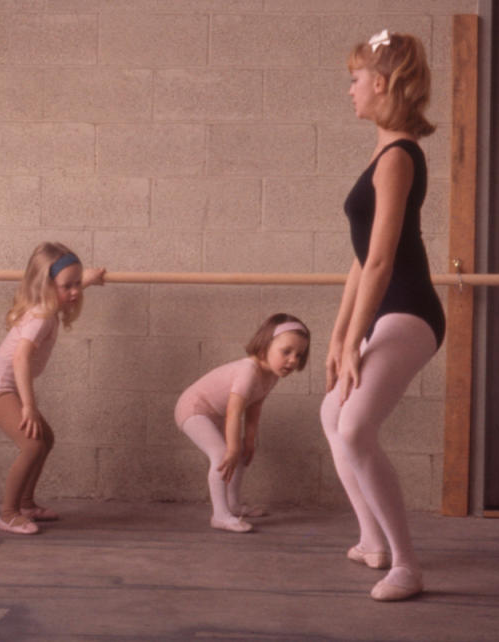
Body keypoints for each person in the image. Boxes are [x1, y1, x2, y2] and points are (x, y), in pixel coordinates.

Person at [320, 29, 445, 601]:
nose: (348, 90)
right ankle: (371, 540)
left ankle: (406, 564)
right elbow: (358, 258)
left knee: (355, 424)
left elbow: (381, 261)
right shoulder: (380, 149)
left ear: (380, 82)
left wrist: (353, 344)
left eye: (353, 79)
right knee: (331, 412)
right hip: (381, 311)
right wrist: (340, 334)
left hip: (411, 309)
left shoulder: (398, 156)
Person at [0, 242, 105, 535]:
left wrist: (90, 279)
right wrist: (29, 407)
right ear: (47, 286)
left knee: (46, 438)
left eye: (77, 284)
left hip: (3, 385)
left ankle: (26, 503)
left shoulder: (49, 303)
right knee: (32, 444)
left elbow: (67, 284)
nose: (74, 292)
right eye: (67, 286)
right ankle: (8, 514)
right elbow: (21, 358)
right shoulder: (42, 315)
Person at [176, 313, 311, 533]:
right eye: (286, 352)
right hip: (193, 409)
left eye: (299, 355)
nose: (293, 360)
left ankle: (233, 505)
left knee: (238, 455)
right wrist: (234, 446)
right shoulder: (248, 370)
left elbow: (254, 406)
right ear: (264, 346)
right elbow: (234, 410)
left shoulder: (271, 375)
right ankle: (220, 515)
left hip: (216, 413)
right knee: (222, 454)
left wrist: (248, 441)